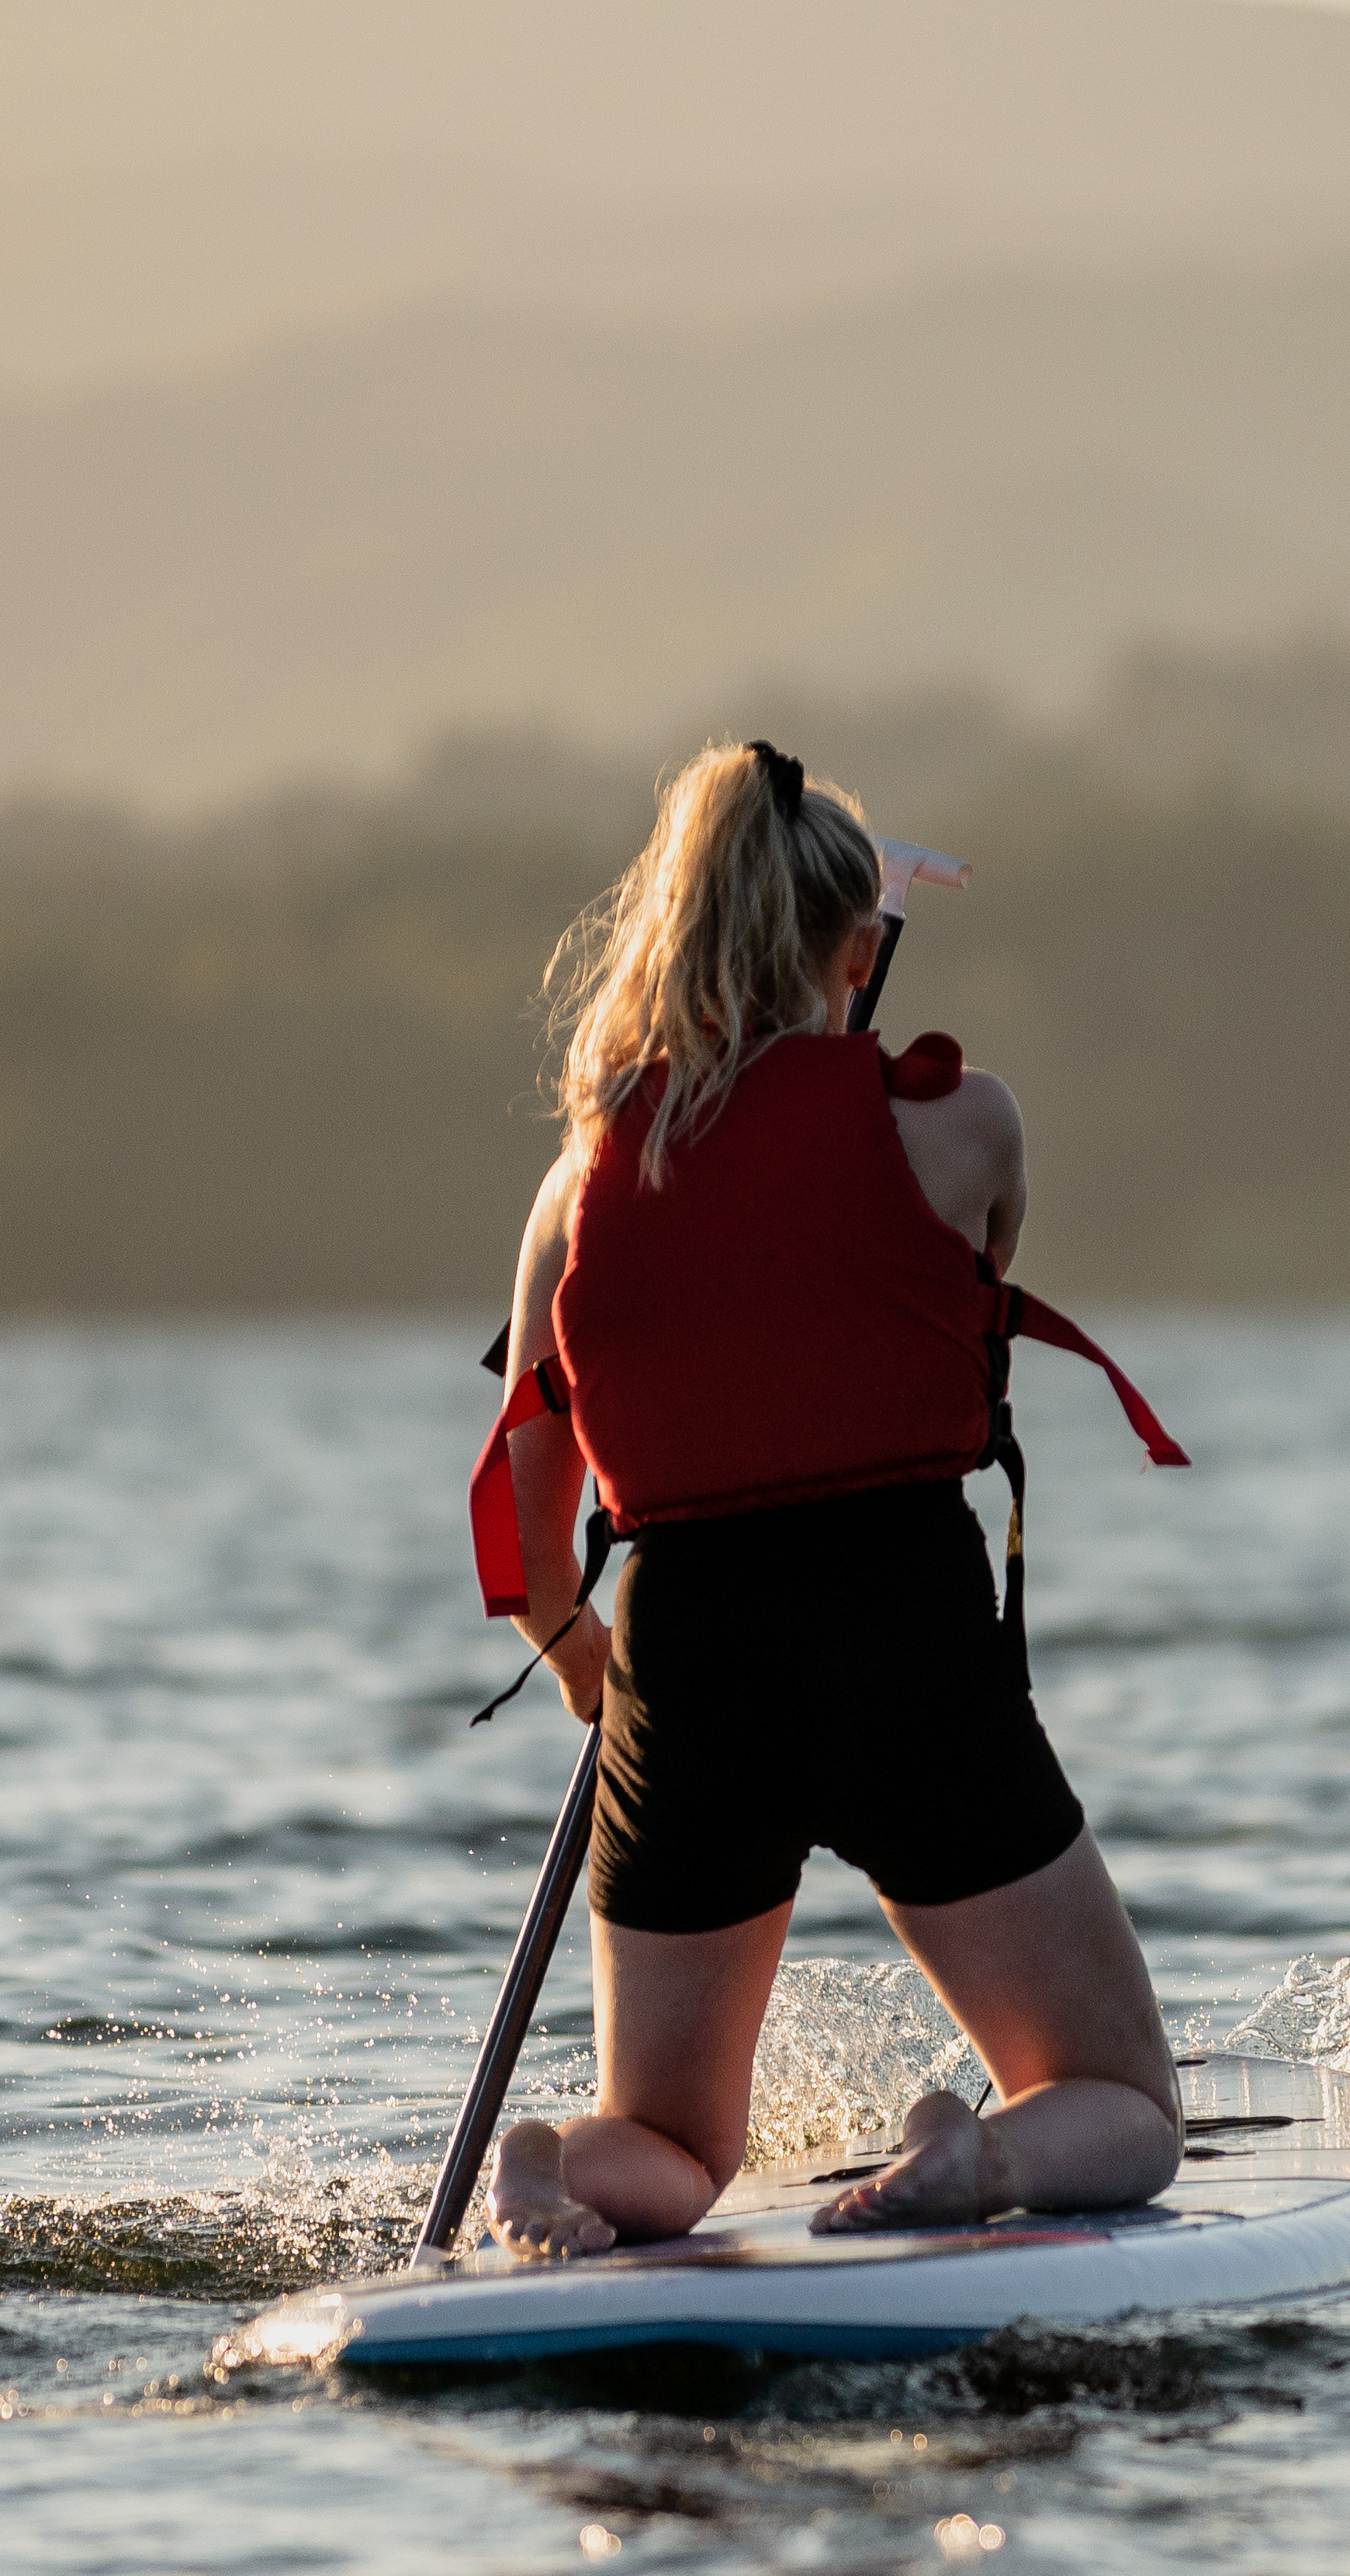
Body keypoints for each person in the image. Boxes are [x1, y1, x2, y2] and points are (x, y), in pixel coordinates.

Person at [466, 738, 1192, 2259]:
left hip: (687, 1659)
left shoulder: (569, 1192)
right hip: (902, 1636)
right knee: (1119, 2098)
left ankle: (554, 2168)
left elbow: (537, 1564)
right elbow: (915, 1270)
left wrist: (604, 1687)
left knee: (673, 2139)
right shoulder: (969, 1123)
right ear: (860, 950)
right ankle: (969, 2157)